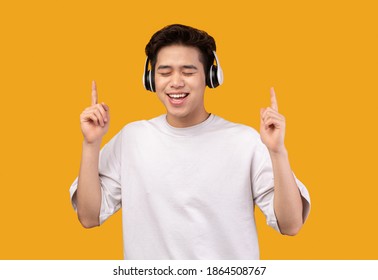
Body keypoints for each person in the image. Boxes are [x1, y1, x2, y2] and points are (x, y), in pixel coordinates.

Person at [69, 24, 310, 259]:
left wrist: (277, 152)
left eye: (188, 71)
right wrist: (91, 145)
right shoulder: (132, 138)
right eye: (164, 72)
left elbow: (291, 225)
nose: (176, 82)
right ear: (150, 80)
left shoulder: (244, 141)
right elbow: (89, 217)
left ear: (211, 76)